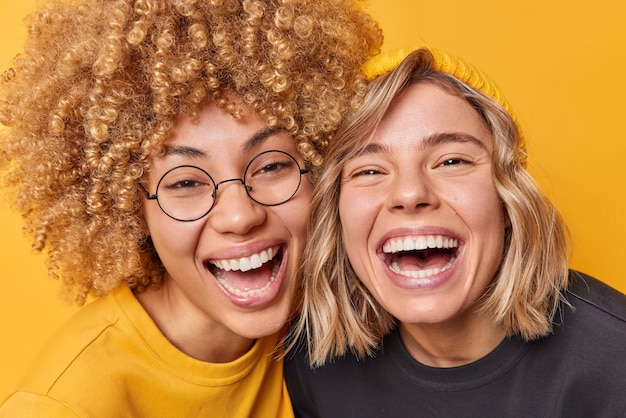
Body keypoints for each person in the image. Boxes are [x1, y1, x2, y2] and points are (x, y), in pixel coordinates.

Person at [0, 0, 382, 416]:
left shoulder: (339, 312)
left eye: (271, 165)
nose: (240, 215)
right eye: (185, 182)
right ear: (128, 208)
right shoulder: (67, 404)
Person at [284, 47, 626, 417]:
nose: (410, 193)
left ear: (508, 198)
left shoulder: (615, 360)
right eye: (369, 170)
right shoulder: (313, 364)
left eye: (451, 161)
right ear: (336, 215)